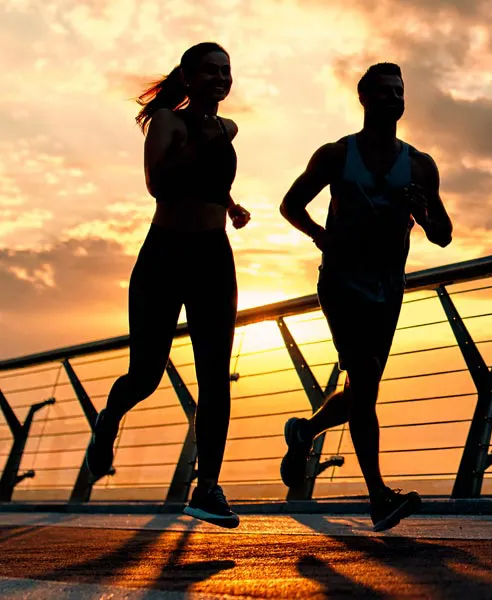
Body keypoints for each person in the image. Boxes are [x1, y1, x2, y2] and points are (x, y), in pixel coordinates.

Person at [279, 62, 453, 532]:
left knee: (363, 388)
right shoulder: (337, 155)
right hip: (340, 283)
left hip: (387, 289)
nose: (393, 97)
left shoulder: (419, 164)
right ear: (365, 99)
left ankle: (305, 431)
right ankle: (378, 496)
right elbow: (290, 204)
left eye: (399, 90)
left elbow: (443, 234)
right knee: (366, 381)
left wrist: (422, 211)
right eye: (383, 91)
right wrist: (320, 236)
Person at [85, 42, 251, 528]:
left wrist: (230, 204)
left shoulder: (227, 129)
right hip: (165, 255)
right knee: (146, 374)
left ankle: (208, 487)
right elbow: (159, 182)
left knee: (215, 375)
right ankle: (109, 420)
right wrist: (203, 135)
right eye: (211, 71)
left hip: (213, 258)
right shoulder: (168, 122)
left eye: (227, 71)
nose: (221, 78)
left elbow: (210, 179)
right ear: (189, 75)